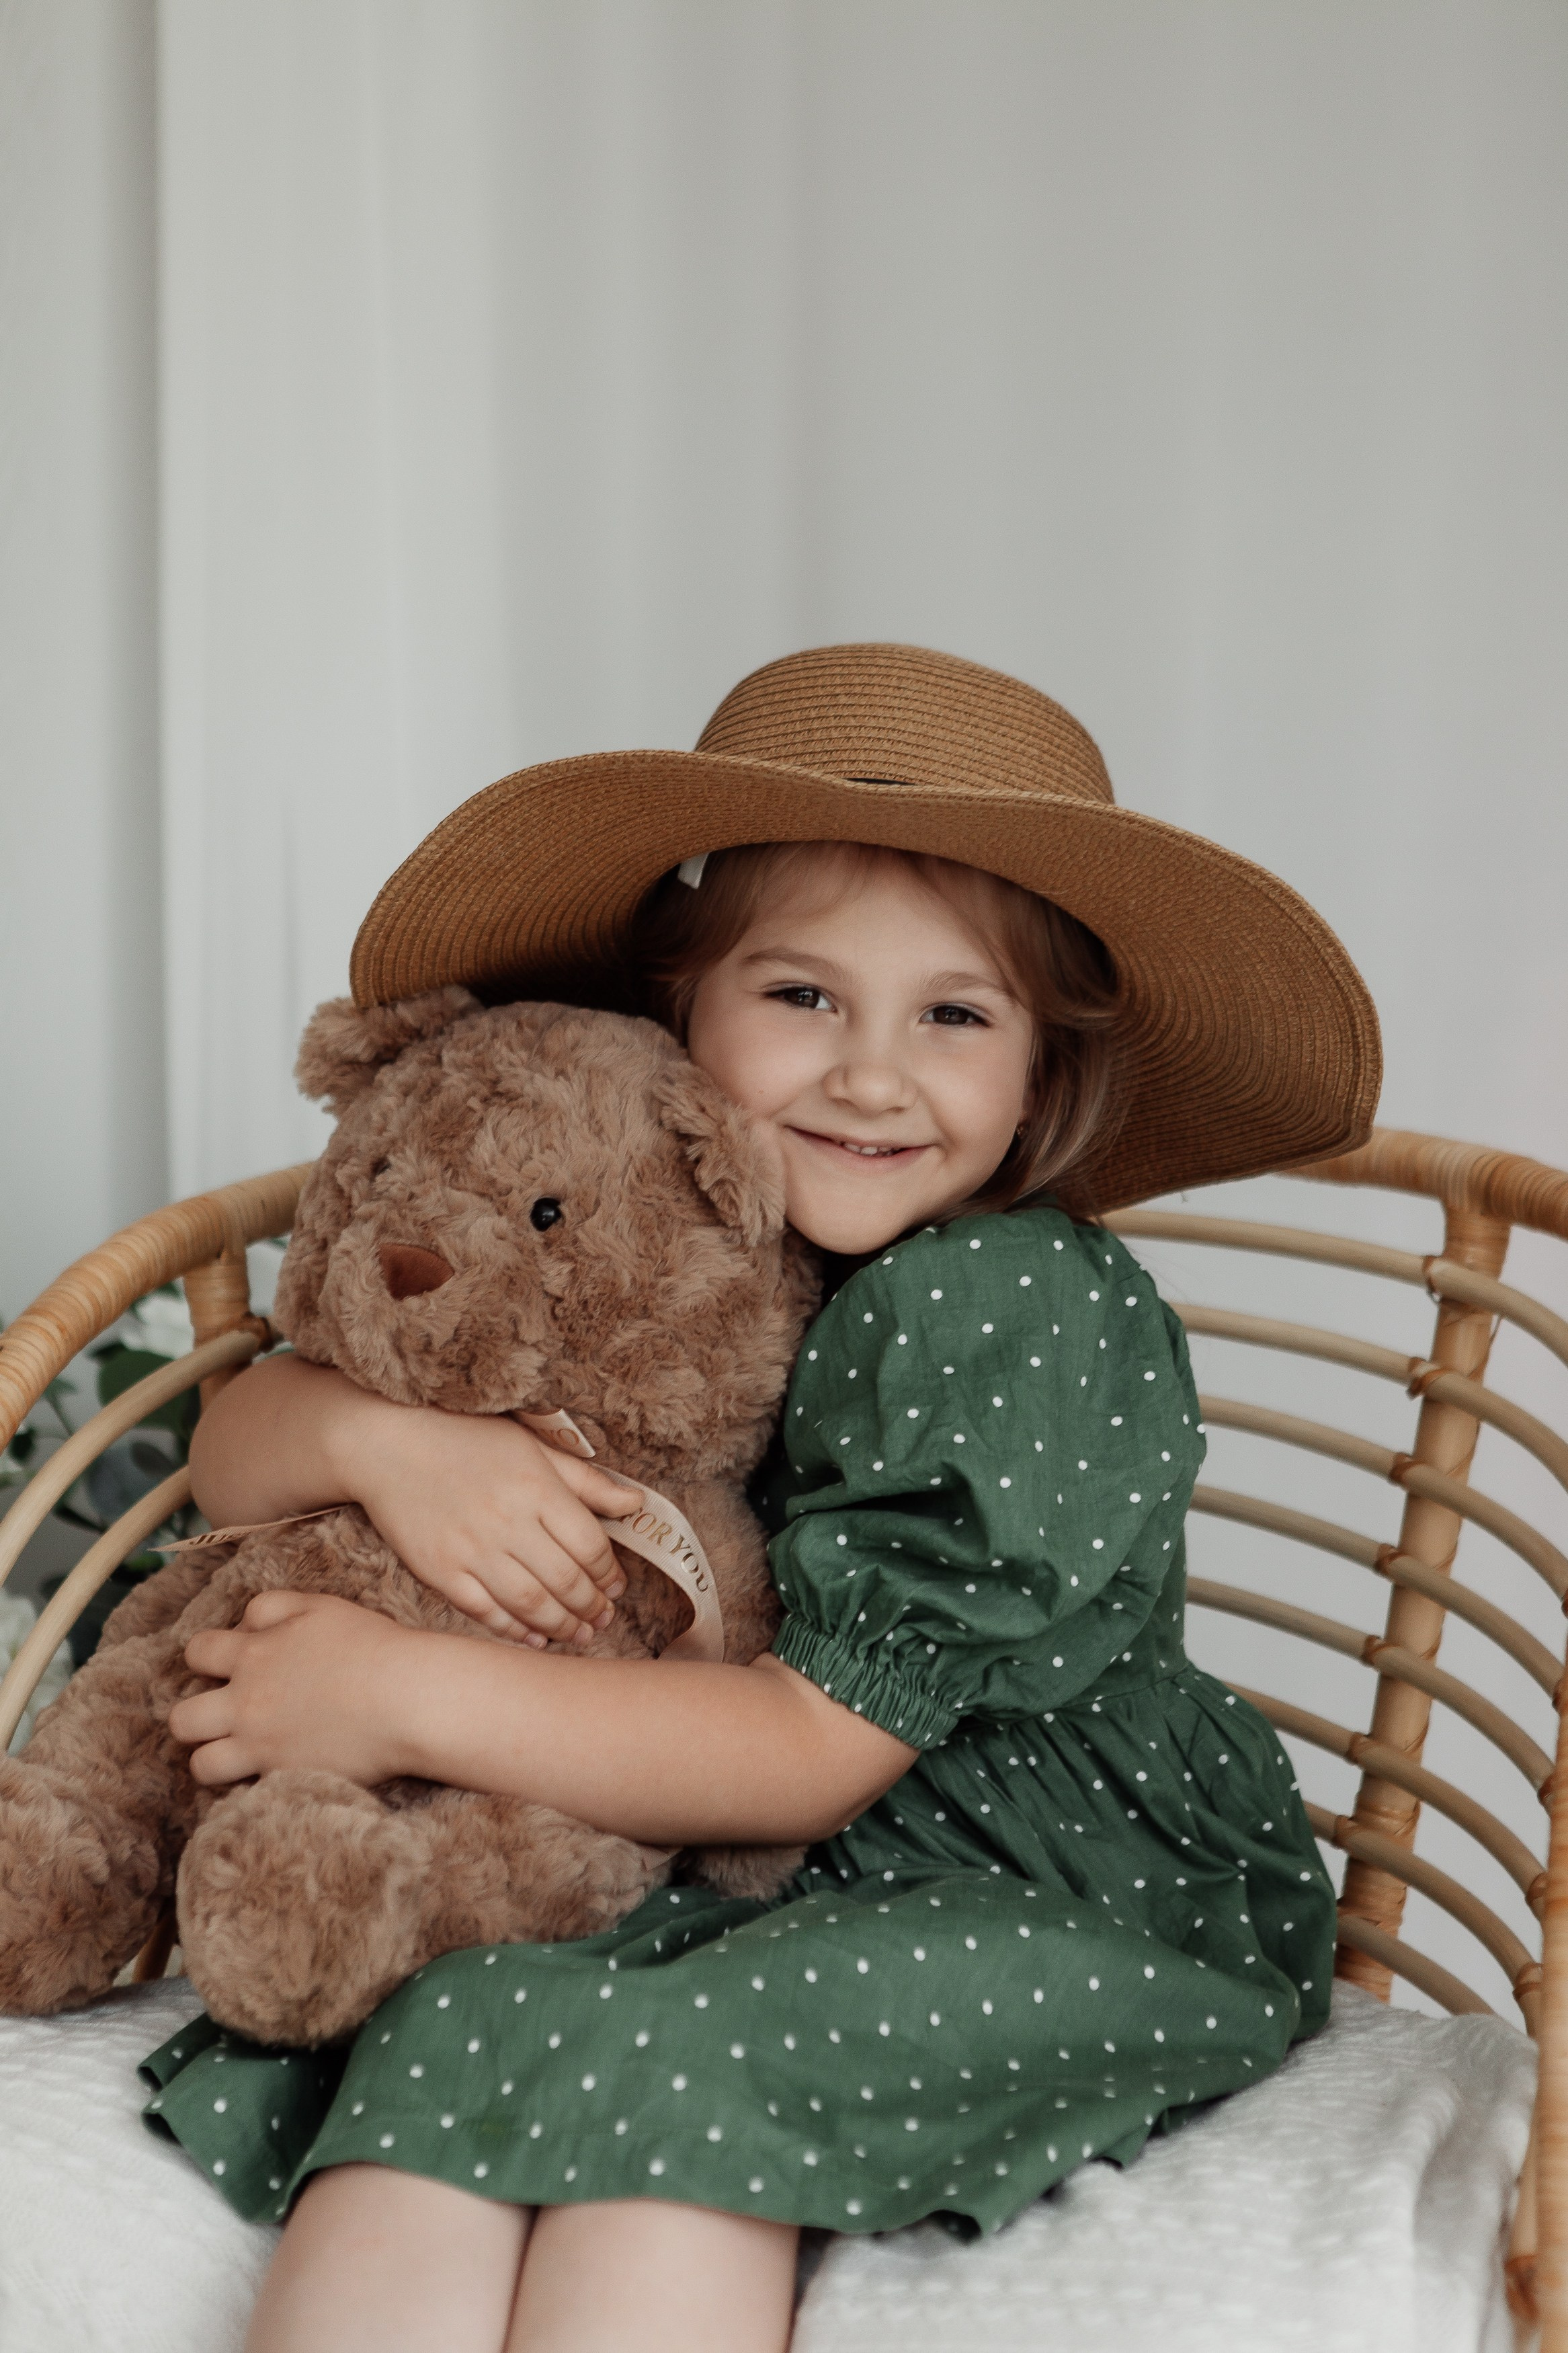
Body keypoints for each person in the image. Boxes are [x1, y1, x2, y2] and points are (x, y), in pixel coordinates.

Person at [140, 644, 1380, 2353]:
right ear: (682, 1011)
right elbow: (229, 1451)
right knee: (463, 2011)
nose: (873, 1075)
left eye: (954, 1015)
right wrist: (384, 1444)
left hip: (1033, 1879)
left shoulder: (1013, 1301)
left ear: (1041, 1069)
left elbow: (813, 1749)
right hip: (733, 1850)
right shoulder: (647, 1245)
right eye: (803, 997)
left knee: (669, 2081)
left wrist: (395, 1689)